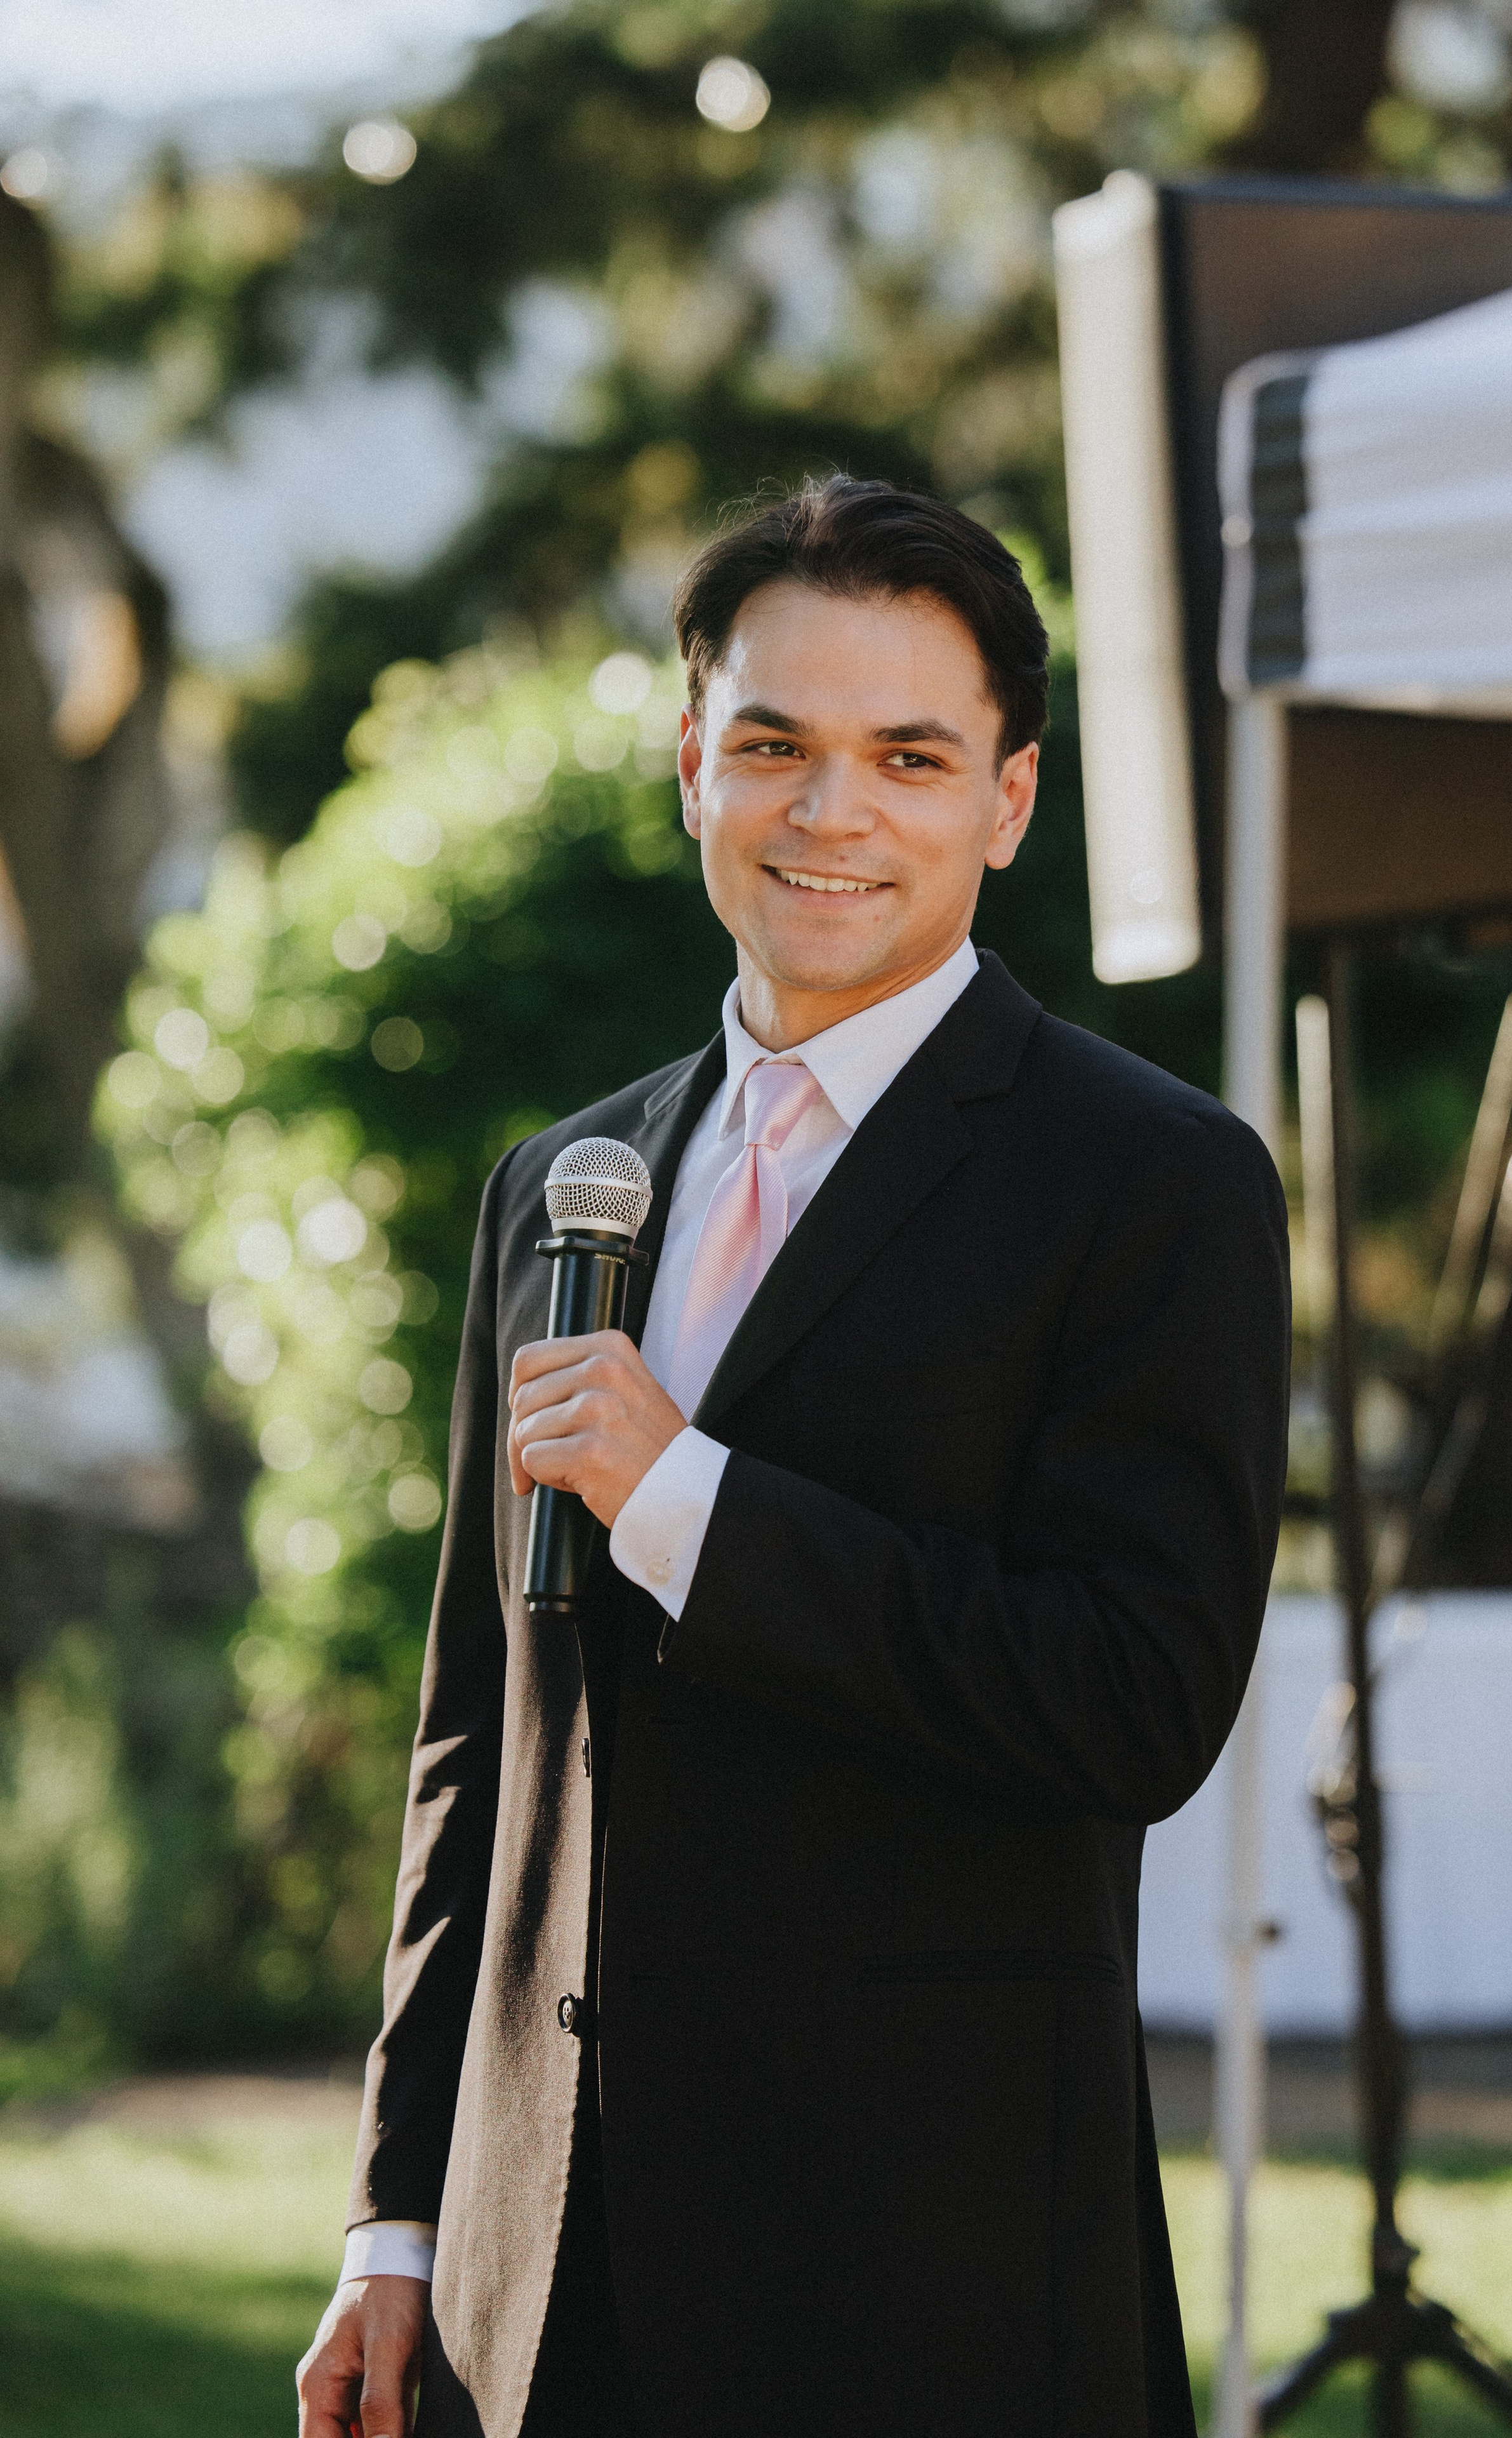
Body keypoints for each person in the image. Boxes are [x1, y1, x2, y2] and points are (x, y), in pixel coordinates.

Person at [296, 474, 1290, 2438]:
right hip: (536, 2283)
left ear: (1006, 802)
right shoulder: (557, 1185)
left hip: (926, 2274)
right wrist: (397, 2217)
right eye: (775, 747)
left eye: (907, 756)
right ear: (693, 771)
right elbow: (473, 1745)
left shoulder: (1152, 1184)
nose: (831, 813)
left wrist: (689, 1503)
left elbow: (1135, 1702)